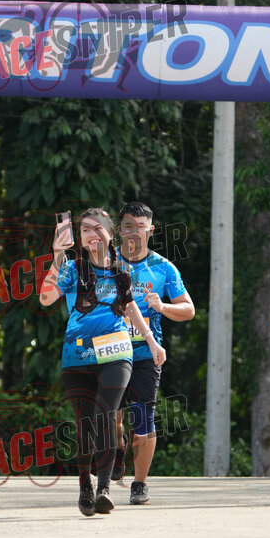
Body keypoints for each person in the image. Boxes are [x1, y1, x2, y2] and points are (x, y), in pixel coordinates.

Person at [39, 208, 165, 516]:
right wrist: (57, 254)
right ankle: (85, 482)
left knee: (105, 414)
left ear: (110, 233)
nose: (92, 234)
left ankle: (104, 489)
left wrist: (150, 340)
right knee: (85, 423)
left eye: (98, 228)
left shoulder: (122, 270)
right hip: (78, 355)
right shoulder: (72, 269)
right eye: (85, 230)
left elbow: (130, 305)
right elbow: (46, 298)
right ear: (80, 238)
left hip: (117, 352)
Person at [112, 202, 195, 504]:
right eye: (128, 226)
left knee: (143, 419)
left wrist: (162, 306)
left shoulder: (163, 268)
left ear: (151, 230)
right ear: (119, 230)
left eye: (141, 226)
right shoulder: (105, 265)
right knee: (111, 419)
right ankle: (117, 449)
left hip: (146, 354)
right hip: (110, 352)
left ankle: (139, 483)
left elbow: (188, 310)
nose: (134, 232)